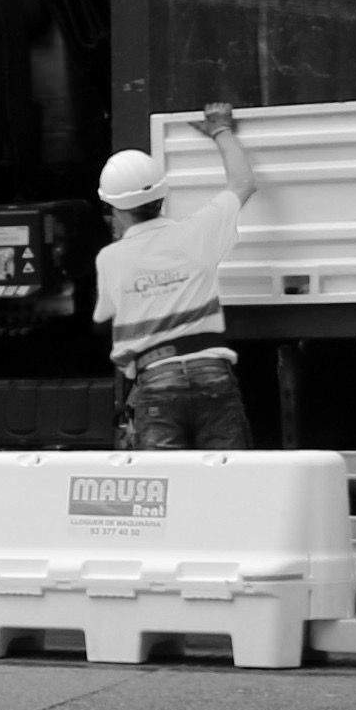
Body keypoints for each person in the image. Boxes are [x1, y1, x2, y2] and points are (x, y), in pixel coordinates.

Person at [92, 105, 262, 451]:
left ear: (114, 209)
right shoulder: (198, 233)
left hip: (156, 382)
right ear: (161, 195)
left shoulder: (110, 259)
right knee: (229, 483)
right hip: (213, 374)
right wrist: (220, 129)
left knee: (168, 491)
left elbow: (102, 318)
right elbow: (243, 183)